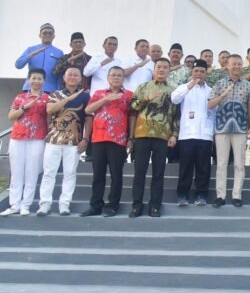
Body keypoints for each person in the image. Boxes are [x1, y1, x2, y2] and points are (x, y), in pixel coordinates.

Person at [36, 67, 90, 216]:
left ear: (80, 79)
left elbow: (88, 119)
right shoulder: (55, 94)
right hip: (53, 140)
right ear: (64, 78)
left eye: (76, 75)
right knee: (49, 173)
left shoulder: (86, 96)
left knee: (70, 173)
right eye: (69, 75)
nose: (72, 77)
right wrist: (69, 99)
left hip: (74, 142)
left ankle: (64, 204)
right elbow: (50, 110)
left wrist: (85, 139)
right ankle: (45, 204)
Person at [80, 67, 133, 217]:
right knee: (98, 174)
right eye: (113, 75)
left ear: (123, 78)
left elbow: (132, 117)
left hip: (118, 140)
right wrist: (105, 99)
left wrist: (131, 138)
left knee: (116, 174)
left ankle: (113, 205)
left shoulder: (129, 95)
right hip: (98, 138)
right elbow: (88, 110)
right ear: (108, 78)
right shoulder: (99, 93)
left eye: (119, 75)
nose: (116, 77)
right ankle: (95, 205)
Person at [128, 58, 176, 218]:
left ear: (169, 70)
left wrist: (174, 134)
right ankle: (136, 205)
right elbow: (132, 106)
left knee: (158, 173)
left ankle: (155, 206)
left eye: (165, 67)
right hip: (142, 134)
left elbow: (176, 114)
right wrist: (147, 98)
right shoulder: (143, 87)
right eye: (159, 67)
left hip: (162, 136)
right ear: (154, 69)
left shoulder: (173, 90)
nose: (161, 70)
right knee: (139, 172)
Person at [1, 69, 48, 217]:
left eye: (39, 79)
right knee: (17, 171)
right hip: (18, 137)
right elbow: (11, 116)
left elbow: (50, 118)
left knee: (32, 171)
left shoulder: (47, 98)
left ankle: (25, 205)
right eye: (34, 78)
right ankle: (14, 205)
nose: (36, 81)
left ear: (44, 81)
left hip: (37, 138)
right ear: (29, 79)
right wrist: (24, 108)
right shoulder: (20, 98)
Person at [209, 54, 250, 208]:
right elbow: (210, 104)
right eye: (233, 64)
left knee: (239, 163)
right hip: (222, 127)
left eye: (239, 64)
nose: (236, 67)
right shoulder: (220, 83)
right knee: (221, 163)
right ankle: (220, 196)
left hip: (240, 127)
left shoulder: (247, 85)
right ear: (227, 66)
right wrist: (222, 96)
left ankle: (237, 195)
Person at [171, 59, 214, 206]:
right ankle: (182, 195)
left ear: (206, 73)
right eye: (196, 71)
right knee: (186, 167)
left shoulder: (211, 91)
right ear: (192, 72)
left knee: (203, 167)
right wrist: (189, 86)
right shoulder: (184, 88)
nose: (199, 74)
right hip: (187, 135)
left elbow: (214, 113)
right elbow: (174, 99)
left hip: (205, 135)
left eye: (202, 71)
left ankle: (201, 195)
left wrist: (212, 132)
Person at [14, 23, 63, 93]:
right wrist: (30, 55)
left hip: (50, 90)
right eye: (44, 33)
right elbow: (18, 65)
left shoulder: (59, 52)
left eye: (50, 33)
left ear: (54, 36)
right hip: (30, 88)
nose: (47, 35)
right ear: (40, 35)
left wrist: (58, 90)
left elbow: (60, 74)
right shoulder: (31, 49)